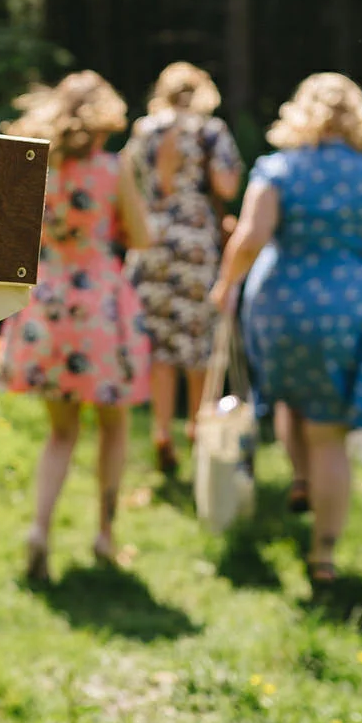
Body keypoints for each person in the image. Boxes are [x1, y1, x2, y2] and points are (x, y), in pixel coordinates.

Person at [208, 73, 362, 585]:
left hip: (277, 306)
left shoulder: (278, 169)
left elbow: (251, 239)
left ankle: (299, 480)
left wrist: (224, 286)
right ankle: (323, 557)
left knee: (289, 398)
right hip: (343, 307)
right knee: (329, 436)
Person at [0, 70, 153, 583]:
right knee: (114, 426)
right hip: (100, 307)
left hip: (46, 301)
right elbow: (143, 236)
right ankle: (105, 537)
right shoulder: (113, 168)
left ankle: (40, 529)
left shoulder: (36, 167)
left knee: (61, 434)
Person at [124, 62, 243, 475]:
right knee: (197, 340)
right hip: (194, 243)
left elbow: (129, 181)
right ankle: (195, 427)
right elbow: (227, 187)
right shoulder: (211, 131)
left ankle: (160, 431)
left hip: (151, 240)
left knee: (159, 344)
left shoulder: (145, 129)